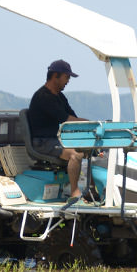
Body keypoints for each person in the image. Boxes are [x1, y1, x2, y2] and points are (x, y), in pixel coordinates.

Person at [28, 59, 89, 198]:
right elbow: (67, 120)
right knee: (76, 154)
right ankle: (74, 192)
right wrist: (91, 123)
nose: (68, 81)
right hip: (43, 142)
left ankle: (90, 190)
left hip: (55, 140)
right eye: (66, 77)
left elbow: (73, 117)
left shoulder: (60, 97)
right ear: (56, 76)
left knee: (88, 151)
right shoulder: (43, 97)